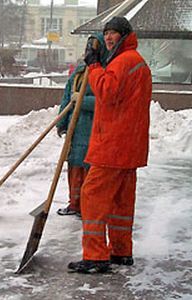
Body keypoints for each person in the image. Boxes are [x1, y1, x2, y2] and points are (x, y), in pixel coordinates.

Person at [68, 16, 152, 274]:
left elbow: (106, 91)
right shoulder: (137, 62)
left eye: (114, 33)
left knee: (93, 195)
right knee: (121, 202)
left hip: (114, 144)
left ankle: (95, 256)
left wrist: (94, 66)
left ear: (125, 36)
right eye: (106, 33)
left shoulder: (124, 61)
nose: (108, 37)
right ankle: (121, 250)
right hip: (129, 144)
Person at [56, 33, 109, 218]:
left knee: (89, 171)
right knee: (74, 167)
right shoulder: (79, 72)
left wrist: (83, 101)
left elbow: (106, 101)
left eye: (93, 49)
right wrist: (61, 123)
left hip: (94, 130)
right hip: (75, 130)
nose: (89, 52)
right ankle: (74, 203)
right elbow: (66, 98)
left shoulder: (104, 73)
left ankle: (88, 206)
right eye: (87, 48)